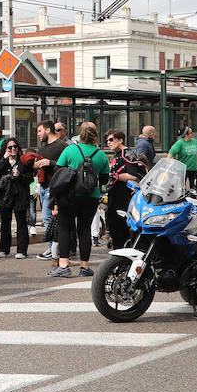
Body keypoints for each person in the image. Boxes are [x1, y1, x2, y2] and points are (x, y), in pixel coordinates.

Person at [49, 121, 111, 278]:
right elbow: (104, 179)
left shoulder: (71, 149)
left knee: (64, 228)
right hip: (91, 197)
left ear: (80, 135)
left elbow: (58, 171)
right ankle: (85, 266)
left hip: (69, 196)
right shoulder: (101, 154)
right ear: (95, 136)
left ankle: (63, 265)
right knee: (84, 230)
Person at [0, 137, 36, 259]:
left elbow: (29, 179)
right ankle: (4, 249)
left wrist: (19, 176)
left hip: (20, 195)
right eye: (10, 147)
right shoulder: (2, 160)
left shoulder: (23, 161)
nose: (13, 149)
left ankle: (22, 250)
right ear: (5, 149)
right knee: (5, 223)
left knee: (21, 223)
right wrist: (4, 158)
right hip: (5, 196)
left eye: (15, 147)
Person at [104, 130, 148, 251]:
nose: (108, 143)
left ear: (120, 139)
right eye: (107, 140)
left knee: (121, 226)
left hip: (125, 195)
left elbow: (133, 176)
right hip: (114, 193)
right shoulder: (117, 154)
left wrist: (116, 176)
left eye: (111, 139)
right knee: (113, 224)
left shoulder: (127, 154)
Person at [31, 119, 67, 261]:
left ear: (47, 130)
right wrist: (35, 165)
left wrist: (50, 162)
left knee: (51, 219)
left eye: (40, 131)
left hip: (56, 187)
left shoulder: (62, 146)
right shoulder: (42, 148)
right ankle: (54, 249)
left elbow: (68, 165)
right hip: (43, 187)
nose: (38, 134)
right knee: (48, 220)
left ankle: (55, 250)